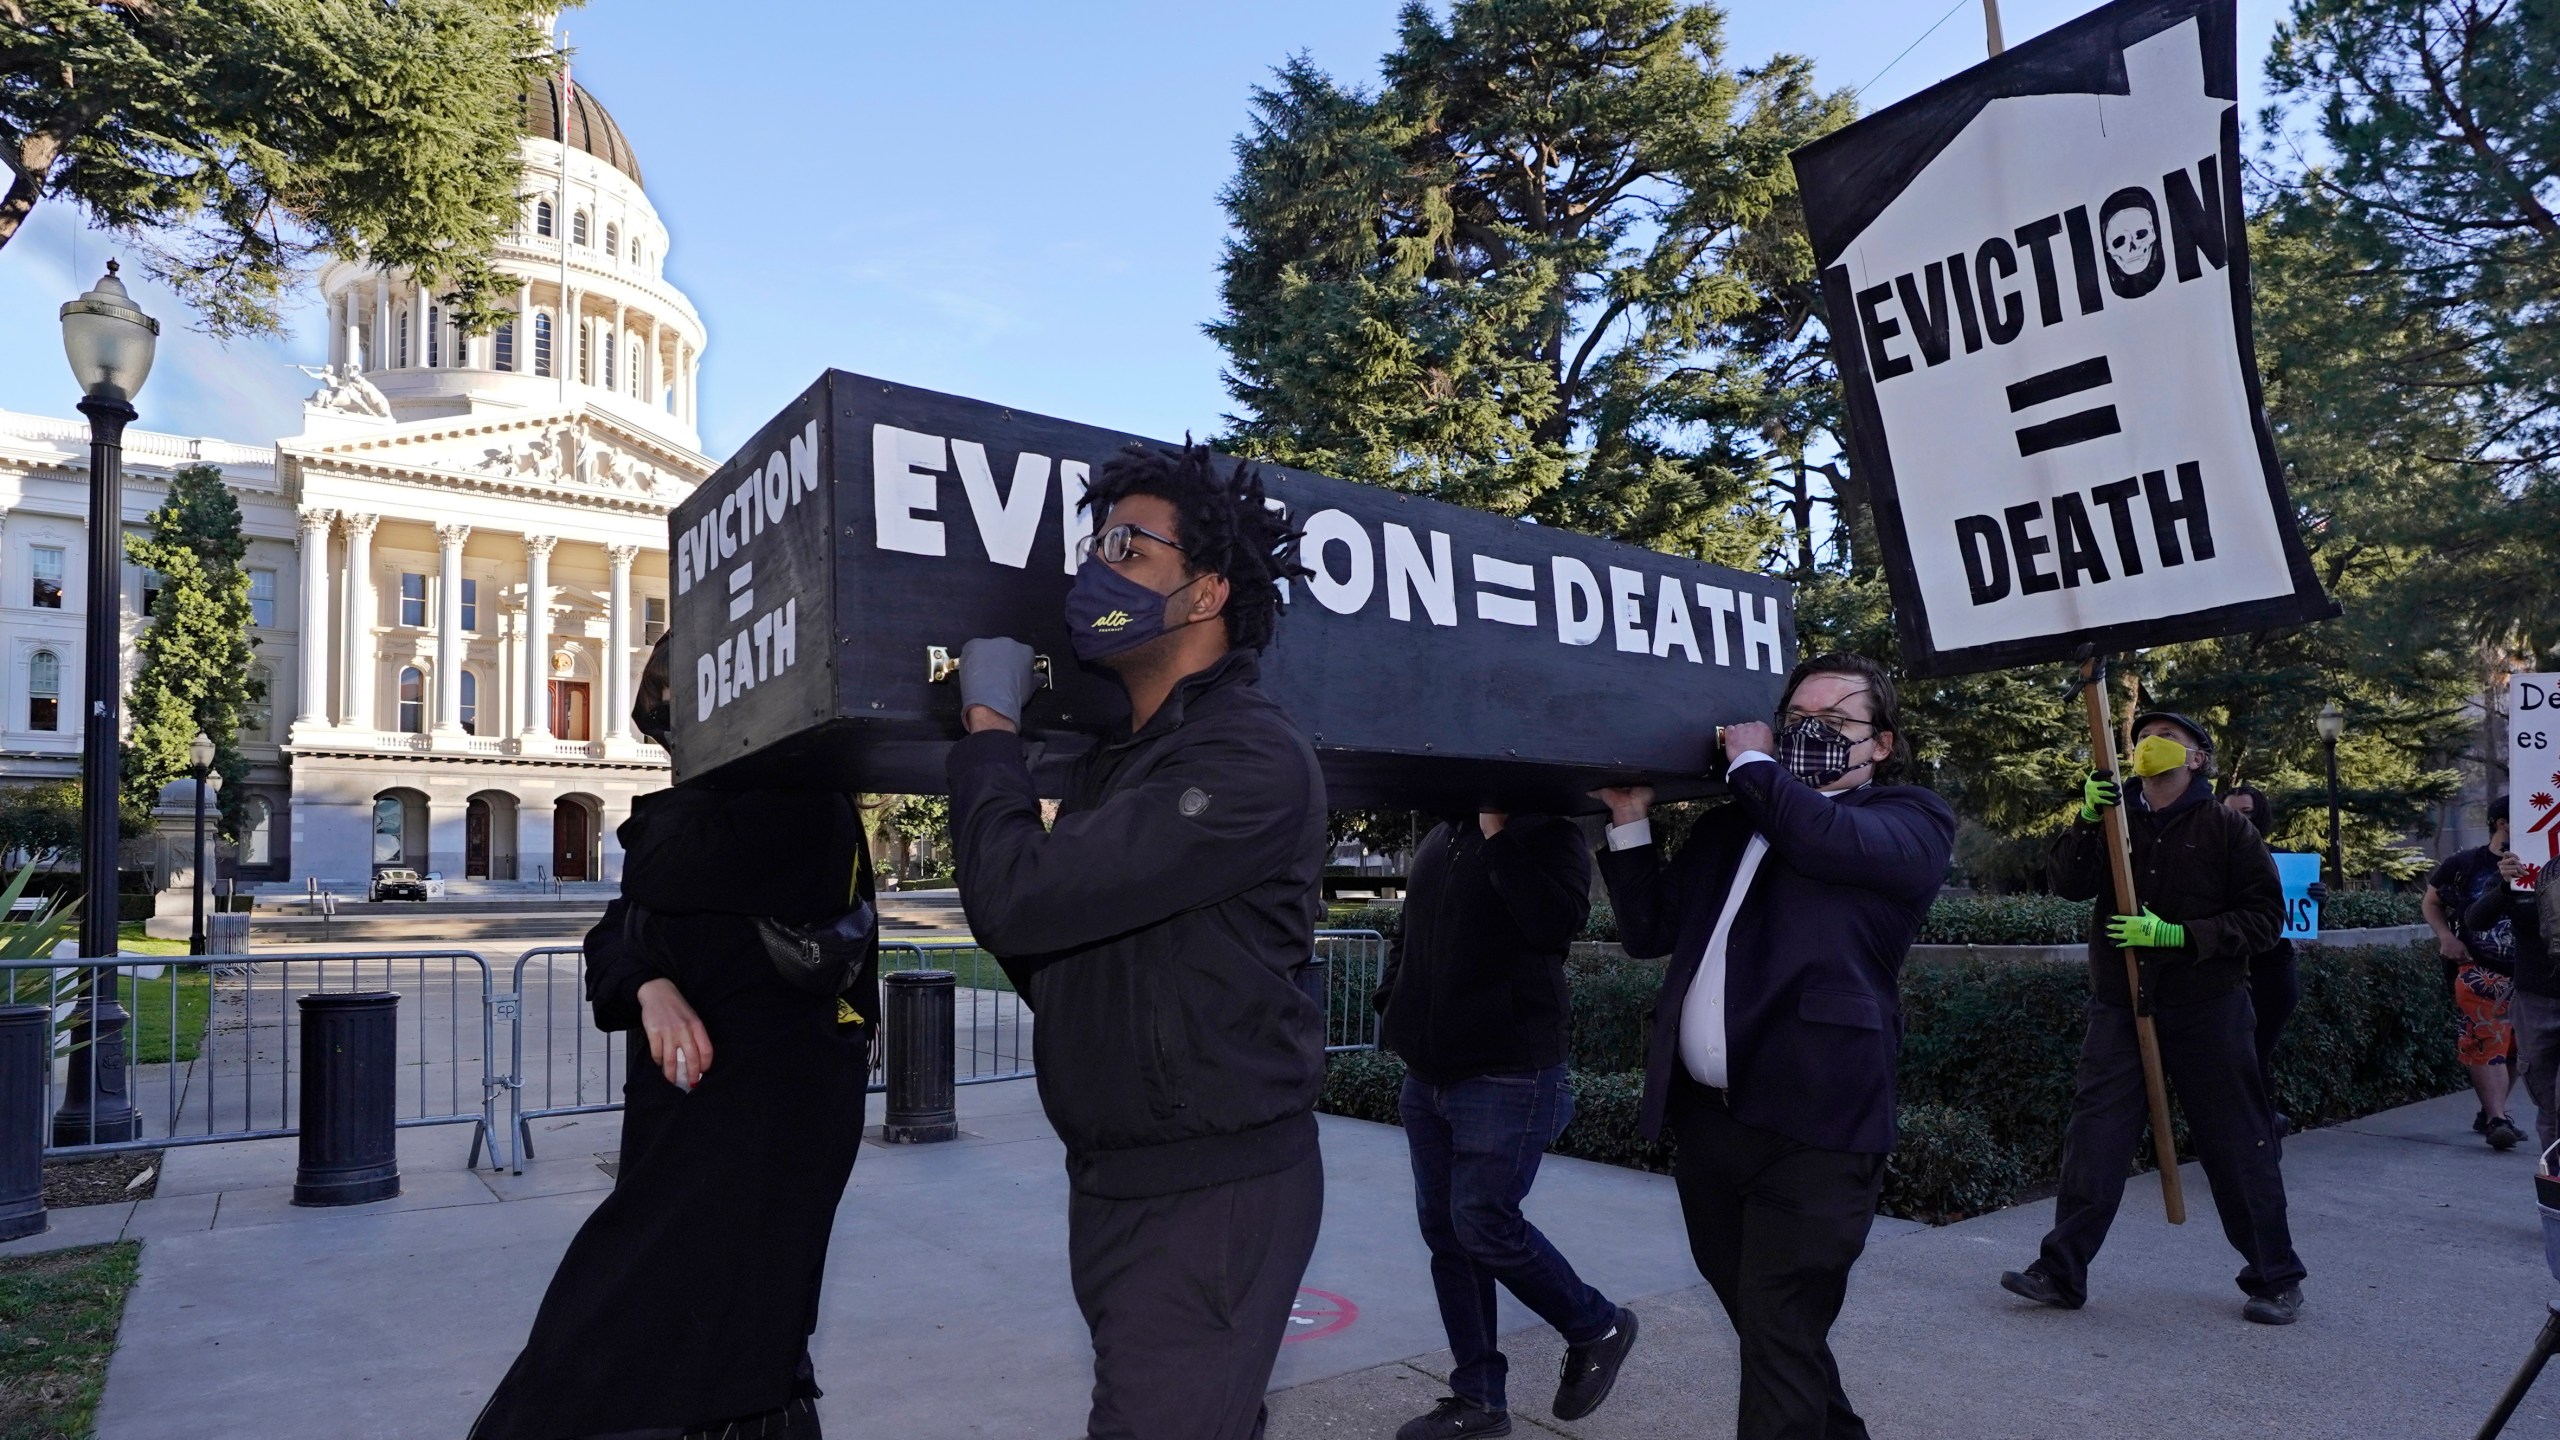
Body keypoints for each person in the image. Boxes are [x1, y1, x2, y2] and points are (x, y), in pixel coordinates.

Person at [945, 442, 1327, 1440]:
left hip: (1212, 1195)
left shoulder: (1247, 756)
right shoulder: (1123, 767)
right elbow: (1058, 952)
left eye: (1126, 545)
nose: (1093, 569)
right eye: (1093, 543)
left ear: (1203, 596)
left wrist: (988, 732)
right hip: (1115, 1182)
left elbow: (1020, 903)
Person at [471, 636, 881, 1440]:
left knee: (687, 1350)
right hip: (680, 1129)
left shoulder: (795, 806)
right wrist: (650, 987)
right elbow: (612, 936)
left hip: (765, 1127)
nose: (666, 732)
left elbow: (655, 866)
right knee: (636, 1348)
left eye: (679, 707)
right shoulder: (711, 810)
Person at [1596, 653, 1954, 1440]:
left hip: (1817, 1133)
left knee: (1780, 1327)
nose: (1810, 733)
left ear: (1882, 745)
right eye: (1796, 719)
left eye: (1836, 721)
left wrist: (1756, 762)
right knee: (1772, 1332)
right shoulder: (1731, 828)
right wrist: (1628, 818)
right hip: (1712, 1129)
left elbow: (1820, 839)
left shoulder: (1906, 821)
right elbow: (1648, 931)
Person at [2001, 712, 2305, 1325]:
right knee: (2095, 1138)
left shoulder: (2228, 831)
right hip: (2121, 1007)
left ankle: (2274, 1277)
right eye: (2140, 738)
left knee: (2236, 1142)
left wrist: (2178, 936)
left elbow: (2263, 921)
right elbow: (2065, 883)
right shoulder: (2115, 819)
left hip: (2208, 1010)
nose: (2148, 746)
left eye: (2166, 738)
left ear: (2197, 759)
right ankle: (2061, 1271)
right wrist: (2086, 820)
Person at [1375, 810, 1637, 1438]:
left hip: (1509, 1075)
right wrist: (1396, 1005)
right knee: (1448, 1235)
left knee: (1482, 1224)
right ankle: (1478, 1401)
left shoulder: (1547, 832)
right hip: (1428, 1078)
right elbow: (1412, 937)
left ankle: (1595, 1324)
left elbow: (1554, 924)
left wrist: (1498, 833)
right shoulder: (1442, 834)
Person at [2425, 795, 2527, 1150]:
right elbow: (2431, 901)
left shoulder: (2542, 862)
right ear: (2502, 822)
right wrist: (2445, 937)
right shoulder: (2464, 863)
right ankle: (2497, 1118)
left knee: (2514, 1049)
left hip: (2527, 974)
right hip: (2477, 970)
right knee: (2487, 1043)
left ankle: (2491, 1111)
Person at [2464, 842, 2556, 1158]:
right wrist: (2505, 886)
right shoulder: (2524, 865)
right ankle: (2555, 1184)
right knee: (2548, 1106)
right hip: (2535, 1002)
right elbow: (2476, 920)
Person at [2223, 785, 2301, 1132]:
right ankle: (2262, 1126)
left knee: (2256, 1054)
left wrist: (2315, 899)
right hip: (2227, 974)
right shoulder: (2213, 859)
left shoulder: (2281, 859)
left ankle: (2262, 1130)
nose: (2240, 819)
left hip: (2271, 972)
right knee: (2237, 1058)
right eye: (2231, 812)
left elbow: (2299, 920)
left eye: (2247, 812)